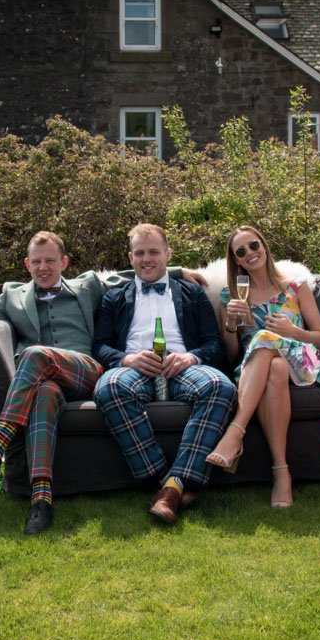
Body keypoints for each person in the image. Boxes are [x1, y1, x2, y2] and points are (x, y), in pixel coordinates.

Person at [0, 232, 194, 535]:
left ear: (64, 262)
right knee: (44, 393)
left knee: (34, 354)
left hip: (84, 371)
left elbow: (133, 272)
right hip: (44, 381)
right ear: (27, 264)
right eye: (36, 262)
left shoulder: (86, 285)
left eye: (49, 261)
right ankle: (41, 500)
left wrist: (180, 271)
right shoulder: (11, 295)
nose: (43, 267)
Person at [93, 223, 235, 524]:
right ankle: (169, 482)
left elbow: (214, 345)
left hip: (181, 366)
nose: (147, 259)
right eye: (140, 253)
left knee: (220, 386)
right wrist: (126, 358)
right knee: (108, 388)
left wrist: (191, 357)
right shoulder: (113, 297)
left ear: (168, 254)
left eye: (154, 252)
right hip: (135, 369)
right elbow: (100, 346)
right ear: (130, 258)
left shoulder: (193, 293)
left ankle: (171, 485)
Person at [205, 225, 320, 509]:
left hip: (303, 361)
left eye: (254, 245)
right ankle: (281, 473)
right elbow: (233, 354)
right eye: (241, 251)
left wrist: (292, 331)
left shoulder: (295, 287)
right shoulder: (231, 297)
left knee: (263, 337)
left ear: (264, 246)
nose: (250, 253)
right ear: (235, 260)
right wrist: (232, 324)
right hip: (258, 369)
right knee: (275, 369)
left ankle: (236, 432)